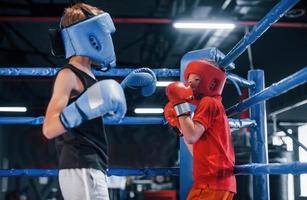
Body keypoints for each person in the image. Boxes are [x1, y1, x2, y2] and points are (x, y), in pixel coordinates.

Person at [43, 3, 156, 200]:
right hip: (80, 163)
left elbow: (93, 106)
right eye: (104, 34)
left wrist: (120, 91)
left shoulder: (90, 77)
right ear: (90, 35)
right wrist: (81, 108)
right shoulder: (68, 75)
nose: (108, 40)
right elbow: (50, 128)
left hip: (93, 165)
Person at [164, 59, 236, 200]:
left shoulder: (208, 103)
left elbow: (191, 137)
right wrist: (179, 126)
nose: (190, 84)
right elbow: (193, 147)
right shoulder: (212, 106)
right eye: (189, 80)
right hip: (215, 182)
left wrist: (180, 105)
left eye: (196, 79)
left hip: (211, 182)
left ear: (212, 82)